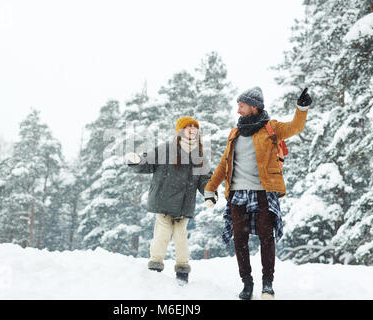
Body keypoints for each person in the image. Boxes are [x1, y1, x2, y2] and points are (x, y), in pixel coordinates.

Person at [204, 87, 312, 299]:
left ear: (254, 107)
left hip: (263, 191)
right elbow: (224, 164)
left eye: (241, 106)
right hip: (237, 193)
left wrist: (301, 109)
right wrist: (210, 187)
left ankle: (267, 284)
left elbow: (295, 127)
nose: (238, 110)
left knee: (266, 237)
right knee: (240, 239)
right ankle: (247, 283)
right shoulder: (234, 133)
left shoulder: (271, 128)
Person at [125, 116, 213, 285]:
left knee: (181, 238)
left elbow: (205, 179)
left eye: (195, 127)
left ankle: (182, 271)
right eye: (189, 127)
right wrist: (136, 161)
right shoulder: (166, 150)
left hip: (184, 205)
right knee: (161, 235)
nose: (193, 129)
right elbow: (148, 162)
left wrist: (209, 193)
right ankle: (155, 267)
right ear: (180, 131)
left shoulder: (199, 156)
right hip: (163, 201)